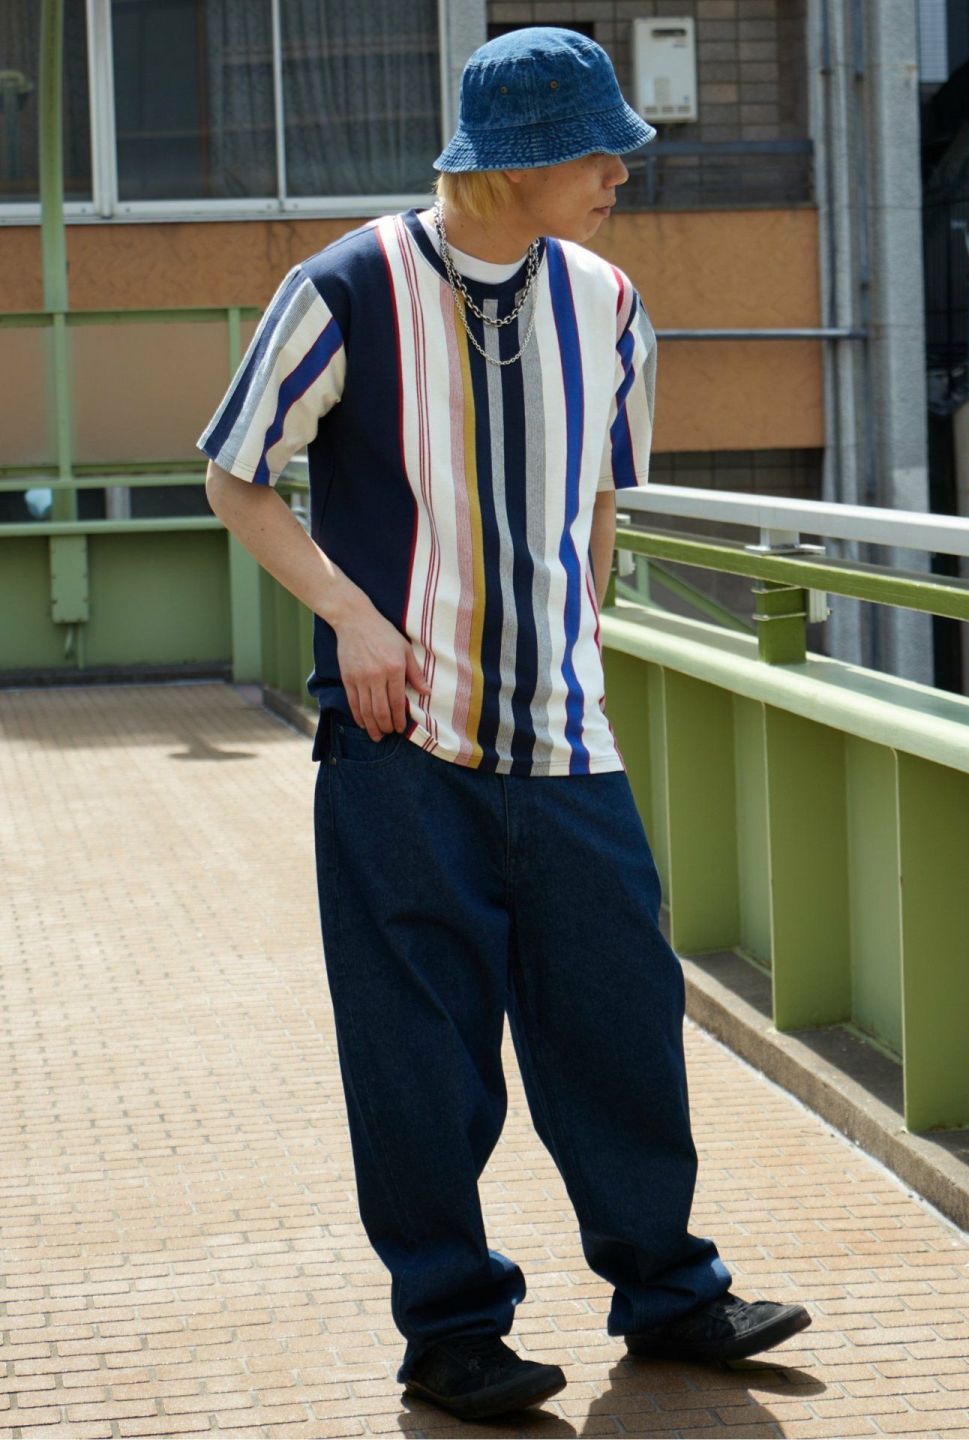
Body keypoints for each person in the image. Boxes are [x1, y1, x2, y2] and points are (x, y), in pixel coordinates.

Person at [200, 26, 811, 1424]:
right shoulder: (346, 286)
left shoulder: (610, 300)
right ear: (520, 161)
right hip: (400, 747)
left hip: (570, 745)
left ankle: (670, 1292)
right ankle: (452, 1330)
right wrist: (352, 618)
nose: (621, 177)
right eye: (599, 154)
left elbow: (601, 496)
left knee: (623, 1021)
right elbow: (237, 475)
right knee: (419, 1052)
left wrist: (580, 630)